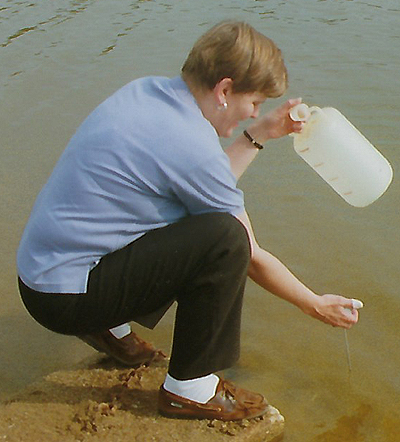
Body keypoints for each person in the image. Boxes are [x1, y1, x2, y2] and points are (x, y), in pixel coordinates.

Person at [17, 21, 359, 422]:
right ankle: (190, 388)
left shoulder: (147, 92)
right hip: (65, 297)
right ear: (224, 89)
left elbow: (202, 181)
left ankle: (108, 326)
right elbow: (246, 253)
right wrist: (314, 303)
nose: (256, 111)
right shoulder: (190, 147)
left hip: (43, 275)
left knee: (182, 215)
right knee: (225, 240)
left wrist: (259, 132)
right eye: (255, 102)